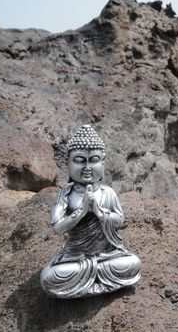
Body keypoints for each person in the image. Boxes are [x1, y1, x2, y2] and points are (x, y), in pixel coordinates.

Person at [40, 125, 141, 298]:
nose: (87, 167)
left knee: (132, 263)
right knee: (49, 277)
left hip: (107, 254)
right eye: (80, 161)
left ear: (102, 162)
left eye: (93, 160)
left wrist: (99, 212)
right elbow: (57, 227)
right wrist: (81, 211)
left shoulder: (107, 192)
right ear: (68, 164)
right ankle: (97, 282)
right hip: (75, 257)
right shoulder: (66, 194)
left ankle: (87, 284)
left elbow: (120, 220)